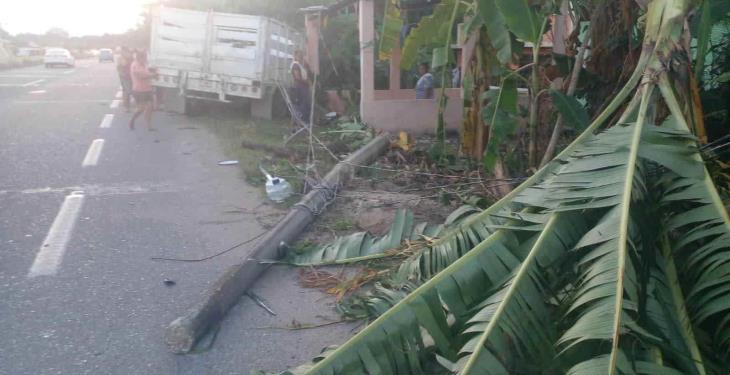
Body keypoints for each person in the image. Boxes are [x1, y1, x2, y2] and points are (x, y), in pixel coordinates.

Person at [129, 49, 158, 131]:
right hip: (139, 90)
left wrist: (153, 73)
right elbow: (142, 75)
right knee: (141, 108)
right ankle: (133, 119)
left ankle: (149, 126)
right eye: (144, 58)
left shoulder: (144, 64)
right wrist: (153, 75)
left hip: (147, 89)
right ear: (139, 58)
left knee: (150, 107)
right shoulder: (135, 65)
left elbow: (148, 72)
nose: (146, 59)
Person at [116, 47, 133, 112]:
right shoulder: (121, 58)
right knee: (127, 91)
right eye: (124, 51)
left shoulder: (130, 57)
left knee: (127, 91)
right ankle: (126, 106)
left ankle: (126, 105)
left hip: (130, 76)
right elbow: (120, 66)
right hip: (125, 76)